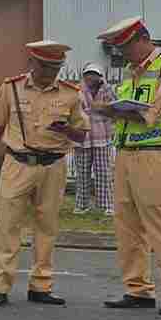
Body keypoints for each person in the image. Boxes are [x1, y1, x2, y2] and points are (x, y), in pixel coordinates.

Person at [0, 41, 86, 307]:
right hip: (17, 163)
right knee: (7, 225)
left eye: (56, 67)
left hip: (53, 165)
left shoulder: (71, 94)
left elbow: (81, 135)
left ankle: (41, 285)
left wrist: (66, 130)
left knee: (46, 227)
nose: (51, 72)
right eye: (46, 67)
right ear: (33, 63)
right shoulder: (11, 88)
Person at [98, 15, 161, 316]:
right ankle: (137, 289)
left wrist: (113, 112)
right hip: (125, 152)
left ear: (142, 38)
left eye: (126, 47)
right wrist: (111, 110)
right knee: (127, 225)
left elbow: (153, 114)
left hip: (154, 153)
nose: (123, 54)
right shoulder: (131, 72)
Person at [72, 63, 117, 216]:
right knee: (82, 173)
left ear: (100, 76)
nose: (91, 77)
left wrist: (99, 107)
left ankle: (106, 205)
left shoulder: (107, 89)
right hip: (82, 138)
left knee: (104, 172)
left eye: (94, 74)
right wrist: (98, 108)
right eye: (88, 74)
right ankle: (81, 205)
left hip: (103, 138)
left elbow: (113, 108)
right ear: (84, 76)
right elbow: (75, 110)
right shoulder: (77, 90)